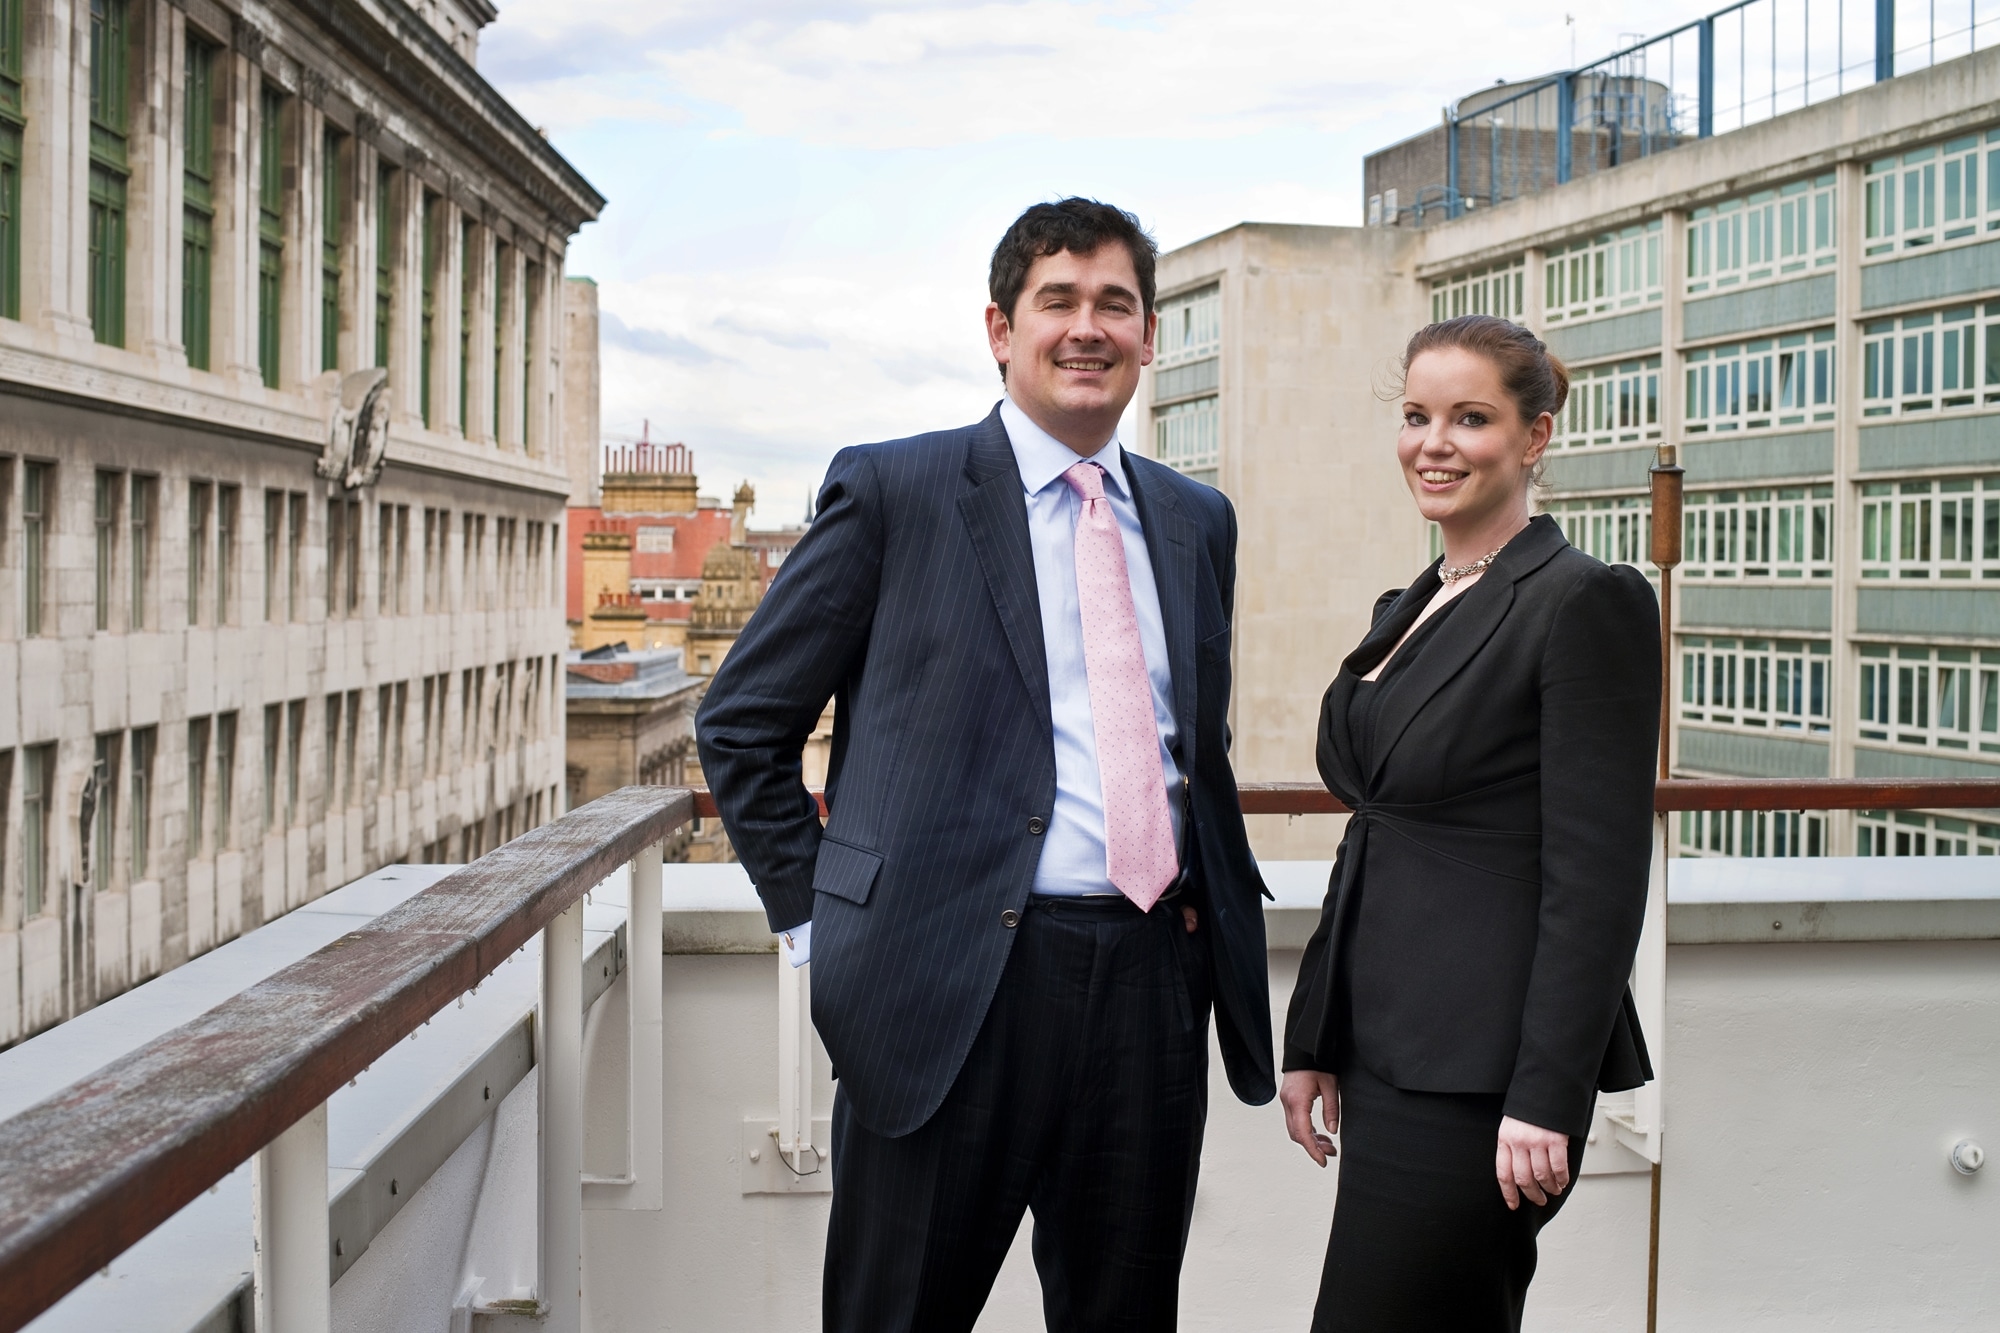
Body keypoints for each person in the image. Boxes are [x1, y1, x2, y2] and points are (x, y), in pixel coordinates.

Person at [696, 198, 1275, 1333]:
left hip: (1151, 986)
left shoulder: (1195, 519)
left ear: (1149, 336)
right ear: (1001, 330)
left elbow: (1189, 749)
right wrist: (821, 926)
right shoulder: (896, 491)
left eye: (1114, 304)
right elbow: (742, 724)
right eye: (1057, 301)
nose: (1087, 327)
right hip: (946, 989)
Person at [1278, 314, 1660, 1331]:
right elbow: (1374, 829)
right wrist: (1314, 1031)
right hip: (1385, 1050)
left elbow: (1598, 878)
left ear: (1534, 436)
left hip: (1483, 1077)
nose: (1433, 443)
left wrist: (1544, 1093)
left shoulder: (1583, 600)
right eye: (1415, 415)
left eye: (1470, 418)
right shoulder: (1408, 604)